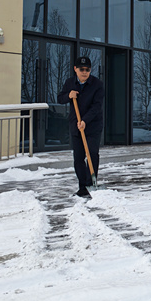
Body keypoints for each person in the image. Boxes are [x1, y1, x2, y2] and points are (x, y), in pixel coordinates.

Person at [57, 56, 105, 196]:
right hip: (76, 125)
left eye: (87, 70)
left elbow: (96, 107)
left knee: (92, 154)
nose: (84, 72)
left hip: (93, 125)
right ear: (75, 69)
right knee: (78, 157)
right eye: (81, 69)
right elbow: (60, 99)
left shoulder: (97, 84)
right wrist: (69, 95)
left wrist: (85, 120)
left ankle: (91, 184)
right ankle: (82, 186)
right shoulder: (70, 83)